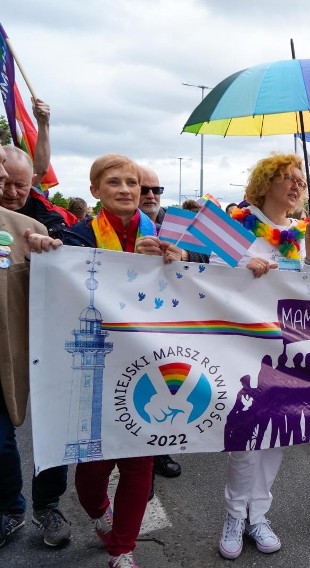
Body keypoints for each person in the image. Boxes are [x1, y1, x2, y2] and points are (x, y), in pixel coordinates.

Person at [206, 152, 310, 559]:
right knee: (247, 438)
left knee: (276, 436)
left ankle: (259, 515)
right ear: (265, 183)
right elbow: (209, 278)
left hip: (285, 352)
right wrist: (241, 265)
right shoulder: (237, 225)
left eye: (299, 181)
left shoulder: (302, 232)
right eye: (286, 179)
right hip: (242, 348)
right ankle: (235, 516)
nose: (295, 186)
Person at [52, 154, 157, 567]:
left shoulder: (158, 235)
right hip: (94, 365)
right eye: (115, 182)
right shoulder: (77, 237)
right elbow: (57, 269)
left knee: (138, 462)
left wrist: (176, 259)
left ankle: (123, 549)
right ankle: (98, 512)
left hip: (145, 362)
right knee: (92, 469)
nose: (128, 190)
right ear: (95, 191)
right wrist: (47, 248)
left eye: (133, 182)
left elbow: (199, 273)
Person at [0, 145, 72, 550]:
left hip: (40, 350)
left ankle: (49, 506)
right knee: (1, 438)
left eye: (19, 185)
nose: (10, 191)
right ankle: (10, 509)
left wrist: (52, 251)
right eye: (4, 182)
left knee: (51, 429)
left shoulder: (36, 228)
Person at [134, 165, 183, 484]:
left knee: (165, 388)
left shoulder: (176, 224)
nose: (151, 195)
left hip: (168, 323)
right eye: (145, 189)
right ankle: (135, 465)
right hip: (129, 324)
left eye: (157, 190)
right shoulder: (117, 226)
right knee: (134, 394)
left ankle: (159, 454)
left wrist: (183, 255)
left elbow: (208, 263)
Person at [1, 145, 76, 237]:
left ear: (32, 181)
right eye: (5, 183)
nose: (12, 193)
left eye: (20, 185)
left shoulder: (56, 222)